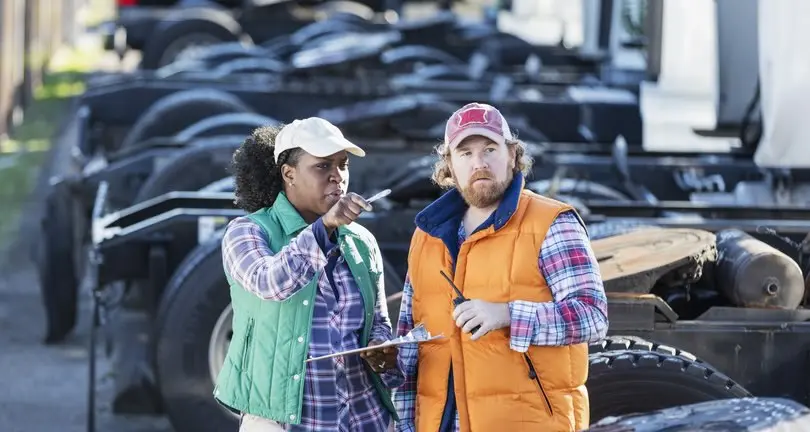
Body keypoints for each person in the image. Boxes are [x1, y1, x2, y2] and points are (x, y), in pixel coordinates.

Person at [392, 103, 609, 431]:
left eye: (489, 149)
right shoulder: (426, 237)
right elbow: (411, 345)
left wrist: (508, 315)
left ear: (512, 155)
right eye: (465, 154)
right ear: (449, 166)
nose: (479, 163)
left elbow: (593, 317)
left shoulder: (552, 223)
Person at [214, 118, 401, 432]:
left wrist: (381, 347)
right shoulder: (247, 232)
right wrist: (323, 228)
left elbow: (378, 320)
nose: (337, 177)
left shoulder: (360, 241)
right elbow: (269, 283)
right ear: (289, 174)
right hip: (285, 422)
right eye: (322, 166)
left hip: (363, 419)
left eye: (343, 165)